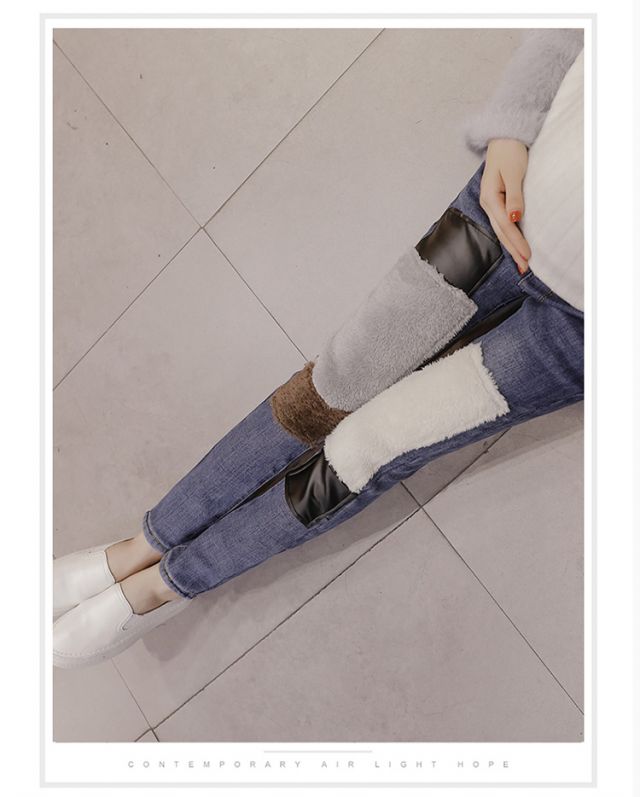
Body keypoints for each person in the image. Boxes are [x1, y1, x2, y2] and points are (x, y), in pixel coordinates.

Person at [53, 28, 585, 668]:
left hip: (583, 327)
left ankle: (165, 587)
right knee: (327, 387)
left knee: (369, 449)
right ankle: (142, 545)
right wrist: (513, 125)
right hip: (511, 200)